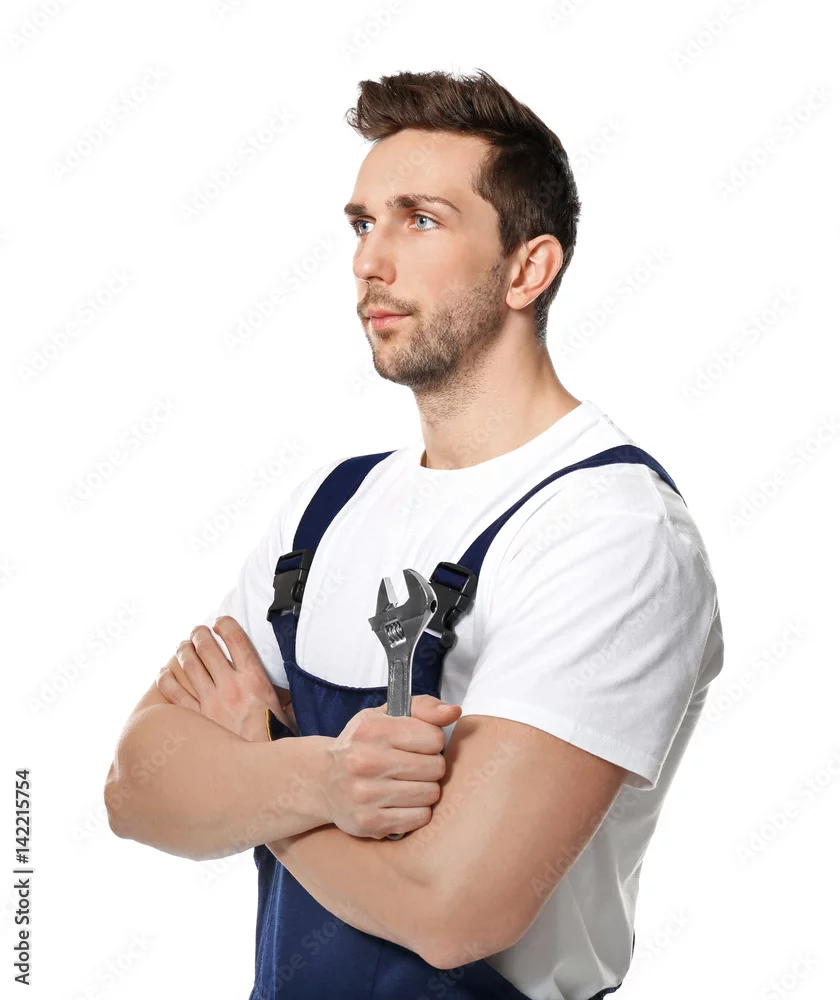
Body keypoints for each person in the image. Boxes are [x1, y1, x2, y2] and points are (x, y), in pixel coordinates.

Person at [104, 68, 724, 1000]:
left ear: (528, 269)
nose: (370, 262)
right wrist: (323, 778)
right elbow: (137, 789)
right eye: (362, 224)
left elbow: (452, 909)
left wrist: (256, 760)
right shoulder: (326, 510)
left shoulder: (611, 530)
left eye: (420, 220)